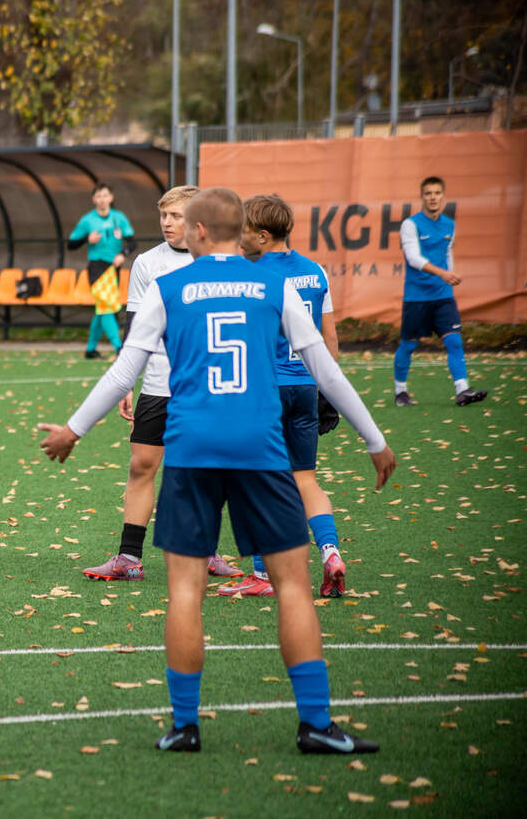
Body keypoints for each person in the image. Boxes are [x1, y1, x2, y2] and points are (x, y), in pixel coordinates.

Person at [38, 187, 394, 755]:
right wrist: (374, 438)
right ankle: (316, 725)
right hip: (261, 450)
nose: (178, 230)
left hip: (192, 448)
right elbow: (324, 370)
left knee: (185, 591)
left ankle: (185, 726)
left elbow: (124, 370)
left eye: (185, 224)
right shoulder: (274, 285)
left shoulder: (169, 287)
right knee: (293, 588)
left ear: (200, 231)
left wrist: (73, 430)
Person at [83, 186, 242, 583]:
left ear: (198, 220)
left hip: (203, 386)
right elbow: (135, 325)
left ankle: (206, 551)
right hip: (157, 383)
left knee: (204, 470)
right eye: (164, 216)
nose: (167, 223)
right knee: (141, 466)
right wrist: (126, 382)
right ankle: (128, 558)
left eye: (176, 216)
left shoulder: (217, 261)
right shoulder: (147, 263)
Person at [223, 194, 348, 598]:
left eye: (244, 230)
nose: (239, 238)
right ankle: (330, 552)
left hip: (265, 390)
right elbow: (329, 339)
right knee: (306, 479)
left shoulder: (250, 274)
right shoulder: (315, 271)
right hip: (306, 388)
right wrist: (326, 391)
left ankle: (263, 575)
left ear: (263, 235)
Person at [393, 176, 487, 407]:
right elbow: (413, 258)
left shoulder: (449, 225)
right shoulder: (410, 224)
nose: (432, 197)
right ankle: (400, 391)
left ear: (443, 196)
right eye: (428, 193)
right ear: (422, 197)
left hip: (443, 296)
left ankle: (462, 390)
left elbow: (447, 253)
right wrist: (443, 273)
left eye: (436, 193)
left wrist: (450, 275)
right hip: (416, 297)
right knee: (408, 345)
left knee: (454, 341)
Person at [67, 184, 134, 358]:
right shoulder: (87, 220)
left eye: (105, 195)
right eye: (98, 196)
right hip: (97, 267)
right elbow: (70, 244)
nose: (102, 199)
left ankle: (90, 349)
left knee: (102, 309)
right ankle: (119, 347)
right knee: (106, 306)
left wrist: (123, 254)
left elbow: (132, 242)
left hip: (114, 268)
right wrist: (86, 239)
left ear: (111, 197)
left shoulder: (119, 218)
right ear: (94, 199)